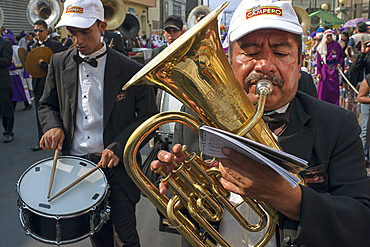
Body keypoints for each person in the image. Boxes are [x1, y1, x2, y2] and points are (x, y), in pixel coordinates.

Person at [152, 0, 370, 246]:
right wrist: (178, 191)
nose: (265, 65)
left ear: (299, 64)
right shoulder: (193, 119)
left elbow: (361, 220)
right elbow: (178, 218)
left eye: (281, 53)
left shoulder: (337, 124)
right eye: (251, 53)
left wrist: (291, 199)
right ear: (229, 63)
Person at [37, 0, 158, 246]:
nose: (78, 40)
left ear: (102, 26)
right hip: (77, 166)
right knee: (96, 235)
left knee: (126, 237)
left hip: (117, 168)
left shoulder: (130, 69)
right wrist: (53, 126)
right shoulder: (59, 62)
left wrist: (119, 145)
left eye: (85, 31)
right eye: (72, 33)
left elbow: (148, 118)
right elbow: (46, 105)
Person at [30, 19, 65, 151]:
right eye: (35, 31)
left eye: (40, 30)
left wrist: (48, 66)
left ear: (46, 31)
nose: (37, 33)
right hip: (38, 83)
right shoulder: (32, 47)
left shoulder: (56, 45)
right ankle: (42, 140)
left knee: (57, 110)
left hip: (53, 83)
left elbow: (63, 64)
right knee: (40, 111)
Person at [2, 30, 32, 110]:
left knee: (23, 89)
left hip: (19, 73)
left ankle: (27, 103)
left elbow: (23, 59)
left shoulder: (17, 49)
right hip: (9, 74)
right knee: (13, 92)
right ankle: (12, 105)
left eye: (8, 40)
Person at [316, 29, 344, 105]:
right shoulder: (321, 46)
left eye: (330, 36)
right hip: (325, 68)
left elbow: (341, 56)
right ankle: (322, 104)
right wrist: (318, 72)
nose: (329, 37)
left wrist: (340, 63)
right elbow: (318, 61)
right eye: (327, 36)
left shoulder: (336, 45)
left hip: (334, 68)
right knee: (323, 87)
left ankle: (334, 104)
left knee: (334, 87)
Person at [346, 21, 370, 102]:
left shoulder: (354, 37)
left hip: (357, 59)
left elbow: (349, 47)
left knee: (353, 79)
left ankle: (351, 96)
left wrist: (350, 56)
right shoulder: (369, 36)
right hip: (366, 59)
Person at [0, 30, 14, 143]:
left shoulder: (5, 43)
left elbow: (7, 61)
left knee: (6, 109)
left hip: (2, 82)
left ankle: (8, 132)